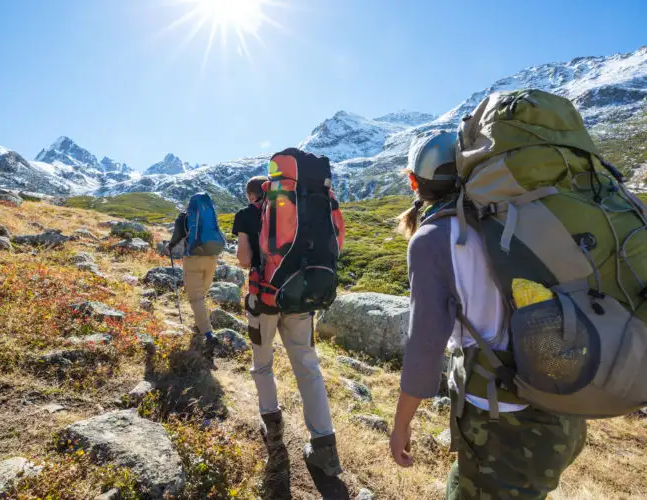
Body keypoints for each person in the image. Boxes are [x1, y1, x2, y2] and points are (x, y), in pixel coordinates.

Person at [389, 131, 586, 499]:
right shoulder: (518, 217)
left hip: (503, 420)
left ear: (414, 182)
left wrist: (401, 423)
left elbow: (424, 347)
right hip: (563, 404)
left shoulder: (433, 238)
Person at [234, 168, 343, 477]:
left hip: (264, 300)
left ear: (253, 194)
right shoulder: (300, 210)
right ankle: (325, 447)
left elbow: (243, 259)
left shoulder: (246, 213)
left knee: (263, 364)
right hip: (301, 299)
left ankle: (274, 430)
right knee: (308, 367)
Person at [166, 192, 224, 352]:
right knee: (202, 294)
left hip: (193, 259)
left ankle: (208, 334)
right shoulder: (211, 214)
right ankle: (199, 324)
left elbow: (178, 235)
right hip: (212, 258)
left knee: (196, 298)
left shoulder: (185, 217)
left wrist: (170, 246)